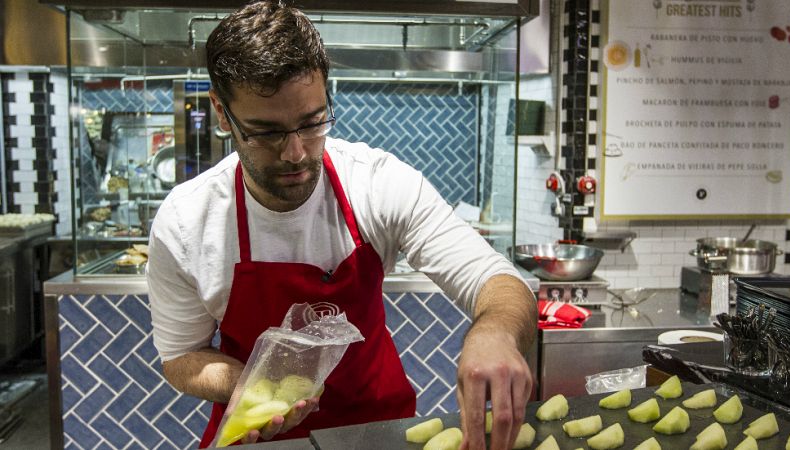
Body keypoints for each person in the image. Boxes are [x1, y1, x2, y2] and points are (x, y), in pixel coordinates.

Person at [145, 2, 537, 449]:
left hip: (375, 430)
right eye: (267, 132)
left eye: (312, 122)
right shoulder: (187, 220)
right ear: (221, 112)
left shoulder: (377, 183)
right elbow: (180, 358)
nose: (295, 152)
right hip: (257, 435)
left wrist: (495, 332)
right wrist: (248, 384)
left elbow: (500, 282)